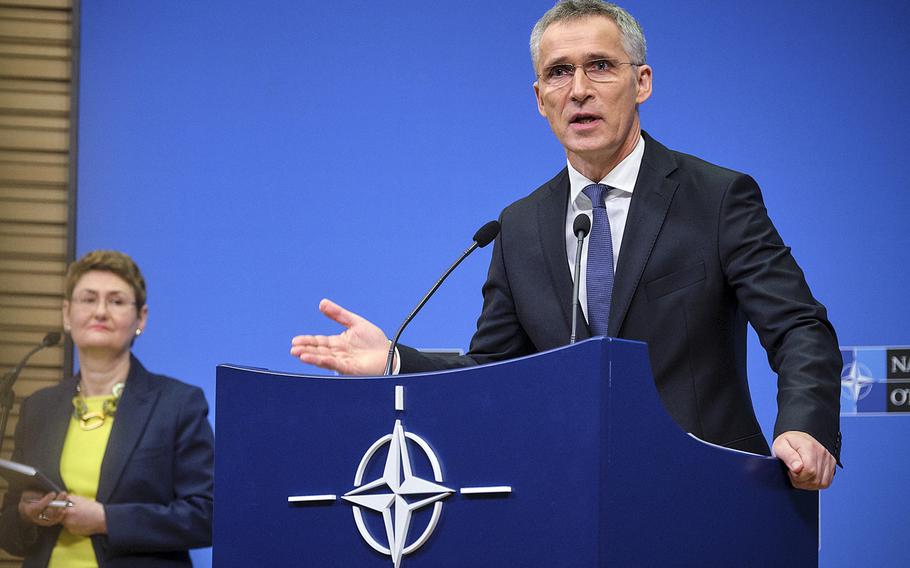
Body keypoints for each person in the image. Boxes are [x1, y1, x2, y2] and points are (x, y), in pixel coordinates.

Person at [290, 0, 841, 491]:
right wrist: (395, 362)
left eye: (599, 66)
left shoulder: (716, 198)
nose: (579, 88)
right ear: (539, 98)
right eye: (558, 73)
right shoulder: (520, 226)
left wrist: (805, 424)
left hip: (704, 493)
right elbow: (493, 373)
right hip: (568, 499)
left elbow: (798, 326)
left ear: (642, 81)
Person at [0, 250, 214, 567]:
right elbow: (9, 535)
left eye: (115, 301)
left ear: (140, 318)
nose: (100, 311)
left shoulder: (176, 404)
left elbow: (207, 515)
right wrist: (25, 513)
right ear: (66, 314)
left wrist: (106, 520)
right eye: (88, 299)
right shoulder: (38, 407)